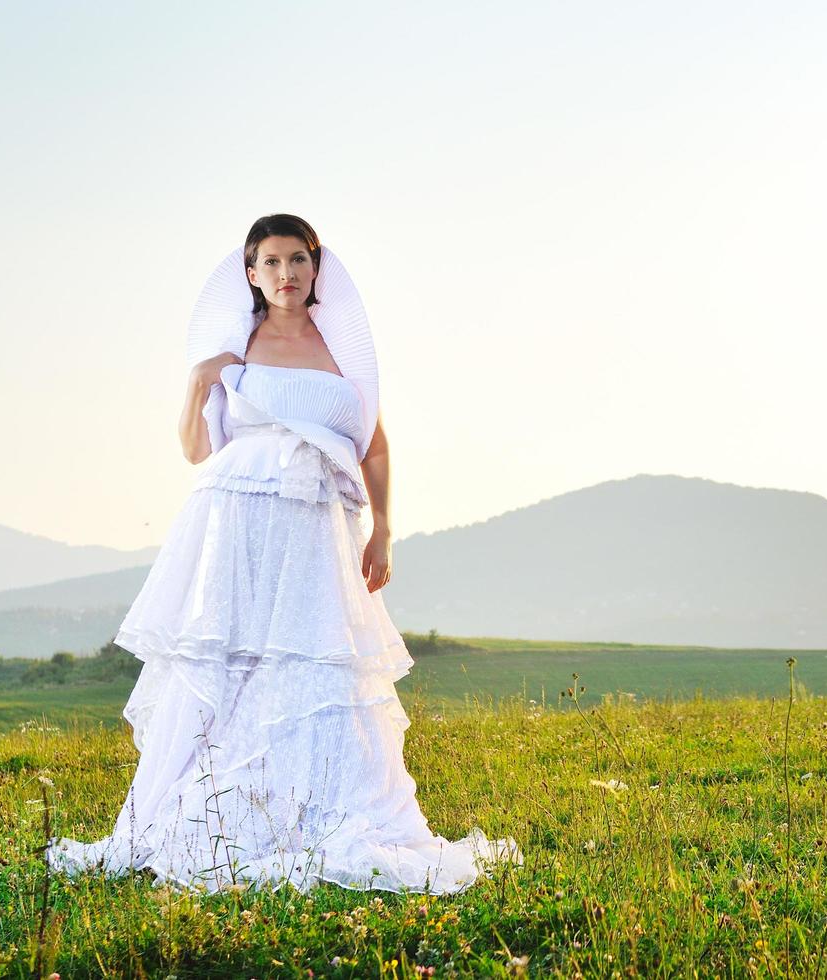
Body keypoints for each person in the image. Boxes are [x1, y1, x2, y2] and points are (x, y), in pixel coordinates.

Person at [45, 214, 522, 894]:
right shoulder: (236, 344)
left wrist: (383, 528)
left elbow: (375, 444)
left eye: (297, 260)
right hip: (241, 529)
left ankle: (316, 806)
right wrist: (197, 383)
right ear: (251, 273)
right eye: (271, 262)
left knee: (315, 661)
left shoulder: (341, 350)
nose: (286, 273)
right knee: (235, 662)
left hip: (316, 534)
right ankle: (208, 809)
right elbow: (196, 450)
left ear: (315, 268)